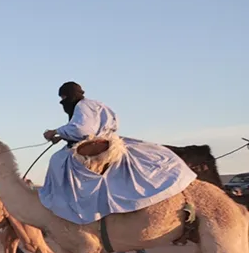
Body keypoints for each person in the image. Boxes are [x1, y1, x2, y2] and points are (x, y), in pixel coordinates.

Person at [38, 82, 195, 225]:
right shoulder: (95, 104)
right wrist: (63, 136)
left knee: (58, 161)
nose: (62, 101)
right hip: (106, 141)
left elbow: (82, 129)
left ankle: (76, 209)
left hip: (95, 146)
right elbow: (93, 124)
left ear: (69, 95)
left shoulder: (81, 106)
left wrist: (56, 131)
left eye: (64, 97)